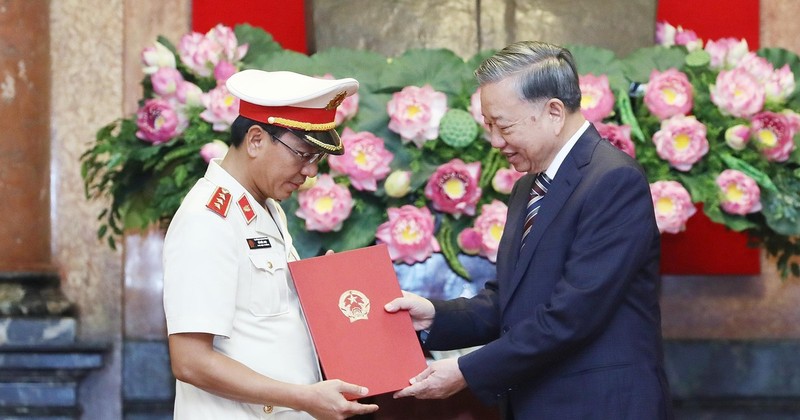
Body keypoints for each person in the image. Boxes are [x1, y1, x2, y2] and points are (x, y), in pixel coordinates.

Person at [385, 41, 674, 419]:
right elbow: (512, 300)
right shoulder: (530, 184)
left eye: (502, 125)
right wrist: (434, 316)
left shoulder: (613, 180)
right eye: (488, 126)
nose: (495, 141)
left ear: (554, 112)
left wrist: (465, 371)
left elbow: (573, 314)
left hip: (600, 404)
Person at [163, 69, 379, 419]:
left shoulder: (265, 208)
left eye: (316, 158)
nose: (310, 172)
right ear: (256, 140)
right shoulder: (209, 219)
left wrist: (323, 287)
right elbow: (190, 361)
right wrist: (303, 398)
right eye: (303, 154)